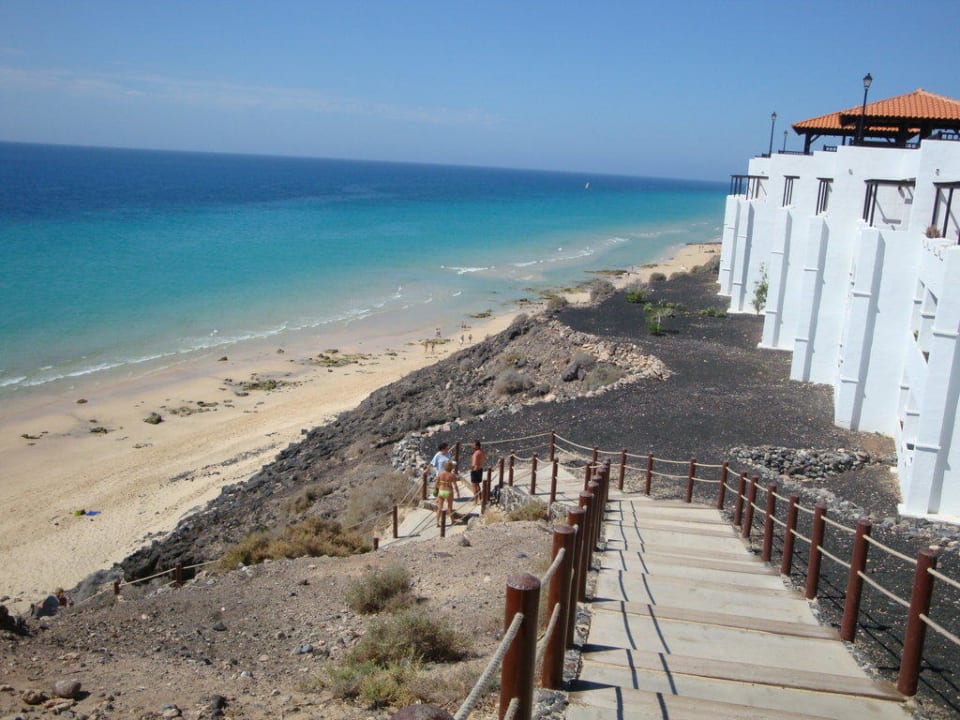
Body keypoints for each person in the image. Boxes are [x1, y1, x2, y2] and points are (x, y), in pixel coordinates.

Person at [435, 461, 457, 526]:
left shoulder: (440, 473)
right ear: (451, 467)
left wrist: (436, 491)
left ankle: (437, 522)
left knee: (439, 508)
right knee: (450, 507)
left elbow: (436, 484)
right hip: (449, 491)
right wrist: (458, 492)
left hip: (441, 491)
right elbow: (455, 485)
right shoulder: (452, 475)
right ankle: (452, 521)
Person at [469, 440, 487, 505]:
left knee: (474, 486)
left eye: (473, 445)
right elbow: (485, 458)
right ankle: (480, 499)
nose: (472, 446)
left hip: (475, 470)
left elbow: (474, 464)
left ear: (477, 446)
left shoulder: (476, 454)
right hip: (480, 469)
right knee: (478, 485)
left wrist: (471, 469)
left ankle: (475, 501)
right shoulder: (481, 452)